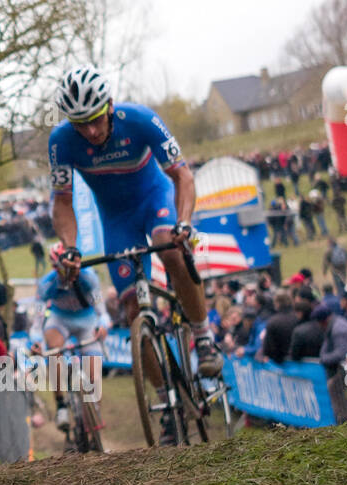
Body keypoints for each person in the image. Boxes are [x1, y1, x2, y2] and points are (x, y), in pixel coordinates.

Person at [46, 66, 221, 392]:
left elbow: (182, 176)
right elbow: (62, 202)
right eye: (80, 124)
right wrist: (69, 246)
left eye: (96, 119)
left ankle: (203, 336)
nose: (91, 131)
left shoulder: (140, 119)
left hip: (156, 200)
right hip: (115, 219)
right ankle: (164, 400)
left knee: (170, 249)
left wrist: (183, 222)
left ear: (110, 105)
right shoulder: (61, 141)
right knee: (131, 308)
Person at [34, 243, 109, 438]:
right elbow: (38, 321)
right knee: (53, 350)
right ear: (55, 267)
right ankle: (61, 405)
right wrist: (36, 341)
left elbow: (102, 312)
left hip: (87, 321)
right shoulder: (46, 284)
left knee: (94, 377)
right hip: (60, 321)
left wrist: (103, 326)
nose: (68, 272)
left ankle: (93, 416)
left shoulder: (89, 277)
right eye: (63, 268)